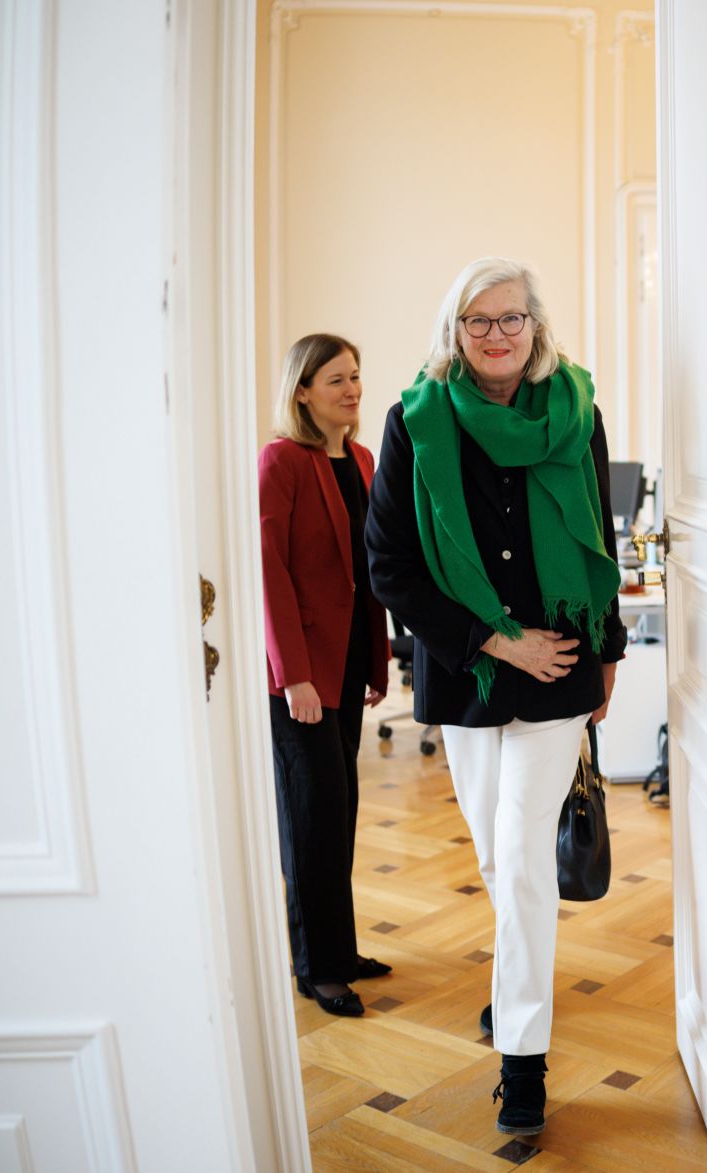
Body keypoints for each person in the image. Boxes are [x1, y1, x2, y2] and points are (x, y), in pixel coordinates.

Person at [365, 258, 627, 1135]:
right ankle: (516, 977)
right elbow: (390, 565)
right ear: (455, 331)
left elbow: (602, 532)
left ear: (535, 323)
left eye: (510, 318)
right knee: (496, 856)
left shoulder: (576, 410)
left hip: (559, 665)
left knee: (519, 858)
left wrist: (610, 649)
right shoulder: (415, 421)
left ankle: (523, 1058)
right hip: (469, 670)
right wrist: (494, 638)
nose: (497, 336)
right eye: (478, 322)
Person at [259, 333, 392, 1018]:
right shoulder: (280, 460)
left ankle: (338, 948)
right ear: (302, 389)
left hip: (345, 666)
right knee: (311, 817)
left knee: (339, 814)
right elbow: (268, 572)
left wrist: (377, 660)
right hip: (303, 677)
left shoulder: (363, 460)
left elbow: (368, 574)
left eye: (357, 376)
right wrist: (292, 675)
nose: (353, 389)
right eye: (337, 378)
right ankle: (317, 965)